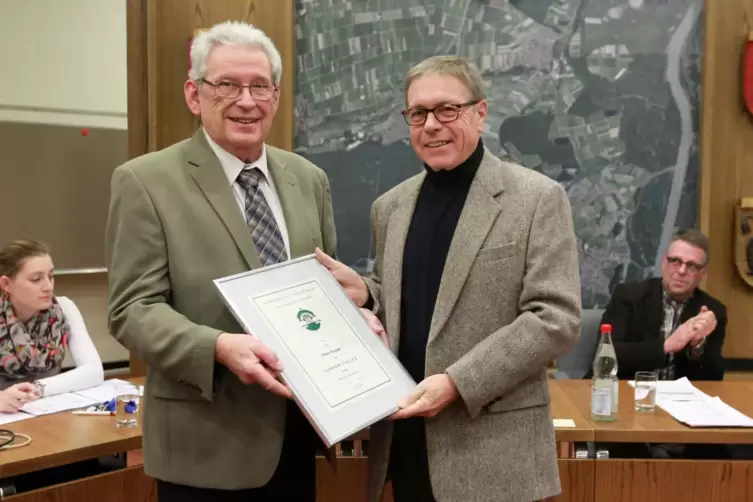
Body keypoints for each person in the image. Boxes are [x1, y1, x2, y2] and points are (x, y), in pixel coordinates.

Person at [316, 55, 582, 502]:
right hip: (405, 446)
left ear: (480, 113)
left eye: (447, 109)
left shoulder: (537, 198)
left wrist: (459, 383)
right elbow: (412, 303)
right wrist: (367, 293)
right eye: (418, 113)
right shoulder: (390, 207)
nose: (432, 125)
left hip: (493, 455)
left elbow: (554, 317)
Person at [105, 21, 337, 502]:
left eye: (259, 86)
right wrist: (216, 346)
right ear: (195, 94)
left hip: (299, 434)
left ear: (276, 96)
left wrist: (359, 303)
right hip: (205, 445)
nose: (246, 100)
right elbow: (132, 309)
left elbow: (325, 288)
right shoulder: (145, 182)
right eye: (227, 85)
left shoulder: (308, 178)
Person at [602, 228, 726, 381]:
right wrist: (667, 345)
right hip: (626, 391)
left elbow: (715, 378)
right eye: (675, 261)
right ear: (664, 262)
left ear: (703, 273)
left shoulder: (712, 312)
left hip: (678, 399)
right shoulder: (628, 295)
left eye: (692, 266)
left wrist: (697, 348)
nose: (681, 271)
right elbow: (607, 355)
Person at [0, 239, 104, 413]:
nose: (48, 287)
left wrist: (38, 388)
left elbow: (94, 371)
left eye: (51, 276)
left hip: (44, 414)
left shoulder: (63, 308)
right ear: (6, 284)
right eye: (36, 279)